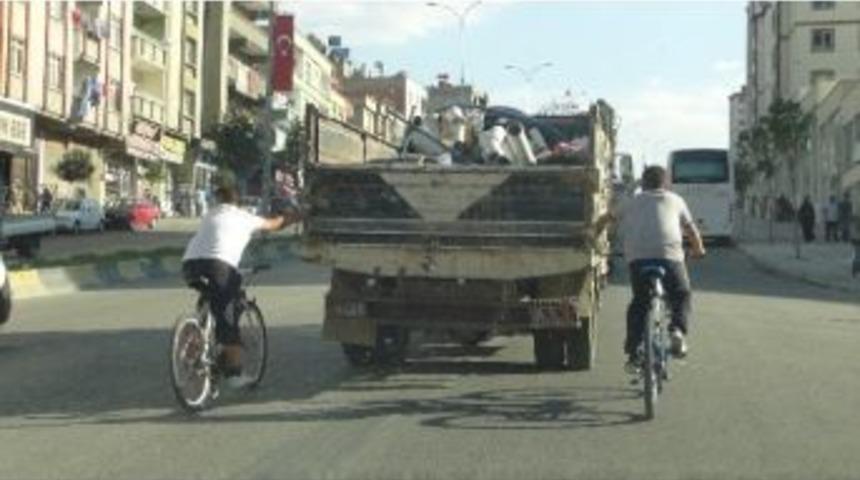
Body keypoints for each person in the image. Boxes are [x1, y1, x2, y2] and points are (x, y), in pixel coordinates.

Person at [182, 183, 302, 387]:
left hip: (190, 265)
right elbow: (274, 224)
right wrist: (296, 216)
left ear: (218, 200)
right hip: (220, 267)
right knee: (228, 317)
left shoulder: (210, 215)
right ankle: (234, 374)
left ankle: (192, 347)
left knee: (210, 300)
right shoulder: (244, 217)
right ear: (238, 202)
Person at [597, 166, 706, 366]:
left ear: (643, 183)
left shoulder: (631, 201)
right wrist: (698, 249)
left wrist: (593, 235)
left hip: (638, 259)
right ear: (666, 183)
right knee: (681, 293)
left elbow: (606, 218)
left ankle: (633, 350)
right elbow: (691, 229)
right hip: (670, 257)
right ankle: (677, 330)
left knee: (639, 302)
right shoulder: (676, 200)